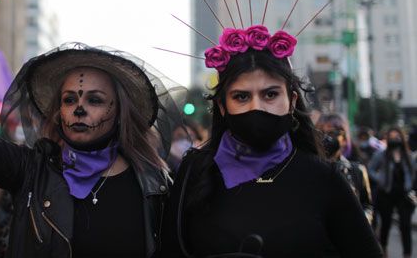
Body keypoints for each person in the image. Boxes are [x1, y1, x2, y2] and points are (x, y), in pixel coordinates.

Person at [0, 0, 185, 257]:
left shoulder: (154, 184)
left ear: (120, 112)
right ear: (58, 111)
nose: (79, 109)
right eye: (69, 100)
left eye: (94, 100)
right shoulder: (32, 171)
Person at [162, 18, 382, 256]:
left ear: (292, 101)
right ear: (222, 107)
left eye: (270, 94)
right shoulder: (194, 171)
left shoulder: (324, 178)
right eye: (241, 97)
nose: (258, 107)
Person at [316, 113, 374, 224]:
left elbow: (367, 206)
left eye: (332, 133)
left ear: (344, 138)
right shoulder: (310, 169)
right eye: (321, 132)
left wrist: (360, 224)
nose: (326, 137)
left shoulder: (357, 171)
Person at [368, 127, 416, 258]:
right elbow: (370, 169)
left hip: (404, 196)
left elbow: (413, 174)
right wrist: (380, 179)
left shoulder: (408, 155)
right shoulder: (381, 155)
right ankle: (383, 251)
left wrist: (412, 188)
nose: (395, 140)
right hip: (386, 194)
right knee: (386, 224)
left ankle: (407, 254)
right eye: (392, 137)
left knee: (405, 226)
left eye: (397, 137)